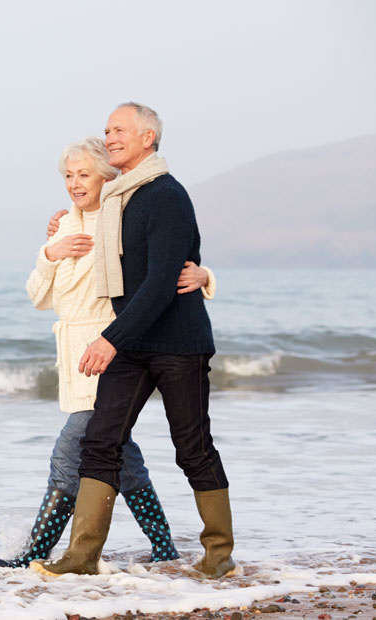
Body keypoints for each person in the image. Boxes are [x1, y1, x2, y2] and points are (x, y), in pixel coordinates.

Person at [33, 103, 236, 579]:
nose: (110, 136)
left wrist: (110, 339)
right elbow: (90, 209)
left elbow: (162, 281)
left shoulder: (166, 195)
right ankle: (81, 559)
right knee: (101, 443)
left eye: (119, 129)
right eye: (106, 129)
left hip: (177, 342)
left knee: (192, 448)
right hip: (132, 342)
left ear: (148, 138)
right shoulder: (117, 199)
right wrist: (56, 232)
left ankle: (218, 556)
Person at [0, 137, 215, 569]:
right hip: (74, 356)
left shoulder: (121, 221)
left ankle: (35, 554)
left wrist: (205, 274)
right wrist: (49, 253)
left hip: (110, 351)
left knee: (69, 452)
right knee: (119, 455)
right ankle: (164, 546)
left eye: (84, 175)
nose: (75, 184)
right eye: (69, 176)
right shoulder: (63, 227)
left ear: (107, 176)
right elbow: (39, 297)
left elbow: (162, 270)